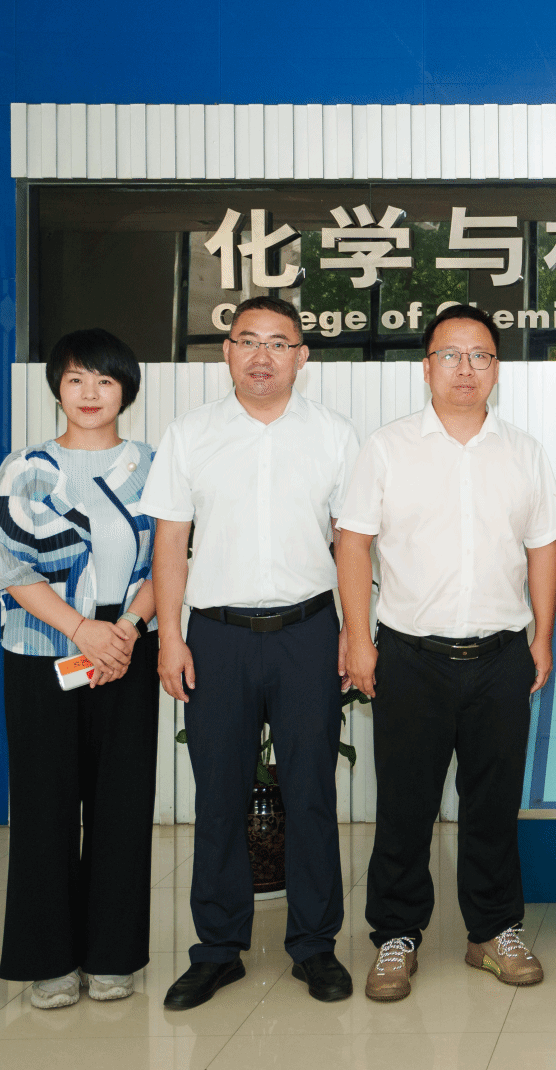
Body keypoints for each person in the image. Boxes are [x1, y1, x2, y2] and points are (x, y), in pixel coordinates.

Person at [336, 305, 556, 999]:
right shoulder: (387, 447)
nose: (466, 369)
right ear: (426, 366)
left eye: (481, 356)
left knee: (493, 805)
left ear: (497, 368)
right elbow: (353, 543)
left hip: (501, 654)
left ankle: (492, 931)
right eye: (451, 355)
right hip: (411, 656)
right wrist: (357, 638)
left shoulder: (524, 450)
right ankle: (396, 935)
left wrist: (543, 636)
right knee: (405, 805)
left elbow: (543, 547)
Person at [142, 296, 361, 1010]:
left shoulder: (334, 435)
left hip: (307, 632)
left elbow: (352, 542)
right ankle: (216, 949)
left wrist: (353, 632)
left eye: (278, 342)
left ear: (303, 356)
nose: (262, 355)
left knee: (311, 793)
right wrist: (170, 637)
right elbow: (170, 543)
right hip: (217, 635)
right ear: (227, 352)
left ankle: (315, 945)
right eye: (248, 340)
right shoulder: (191, 434)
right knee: (219, 795)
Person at [0, 329, 158, 1009]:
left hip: (127, 649)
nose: (90, 393)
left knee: (122, 804)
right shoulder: (26, 468)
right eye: (77, 379)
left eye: (105, 380)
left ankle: (113, 956)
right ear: (57, 387)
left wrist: (127, 629)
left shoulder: (151, 466)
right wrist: (81, 628)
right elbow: (11, 568)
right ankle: (49, 959)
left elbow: (172, 559)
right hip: (41, 651)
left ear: (126, 391)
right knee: (44, 804)